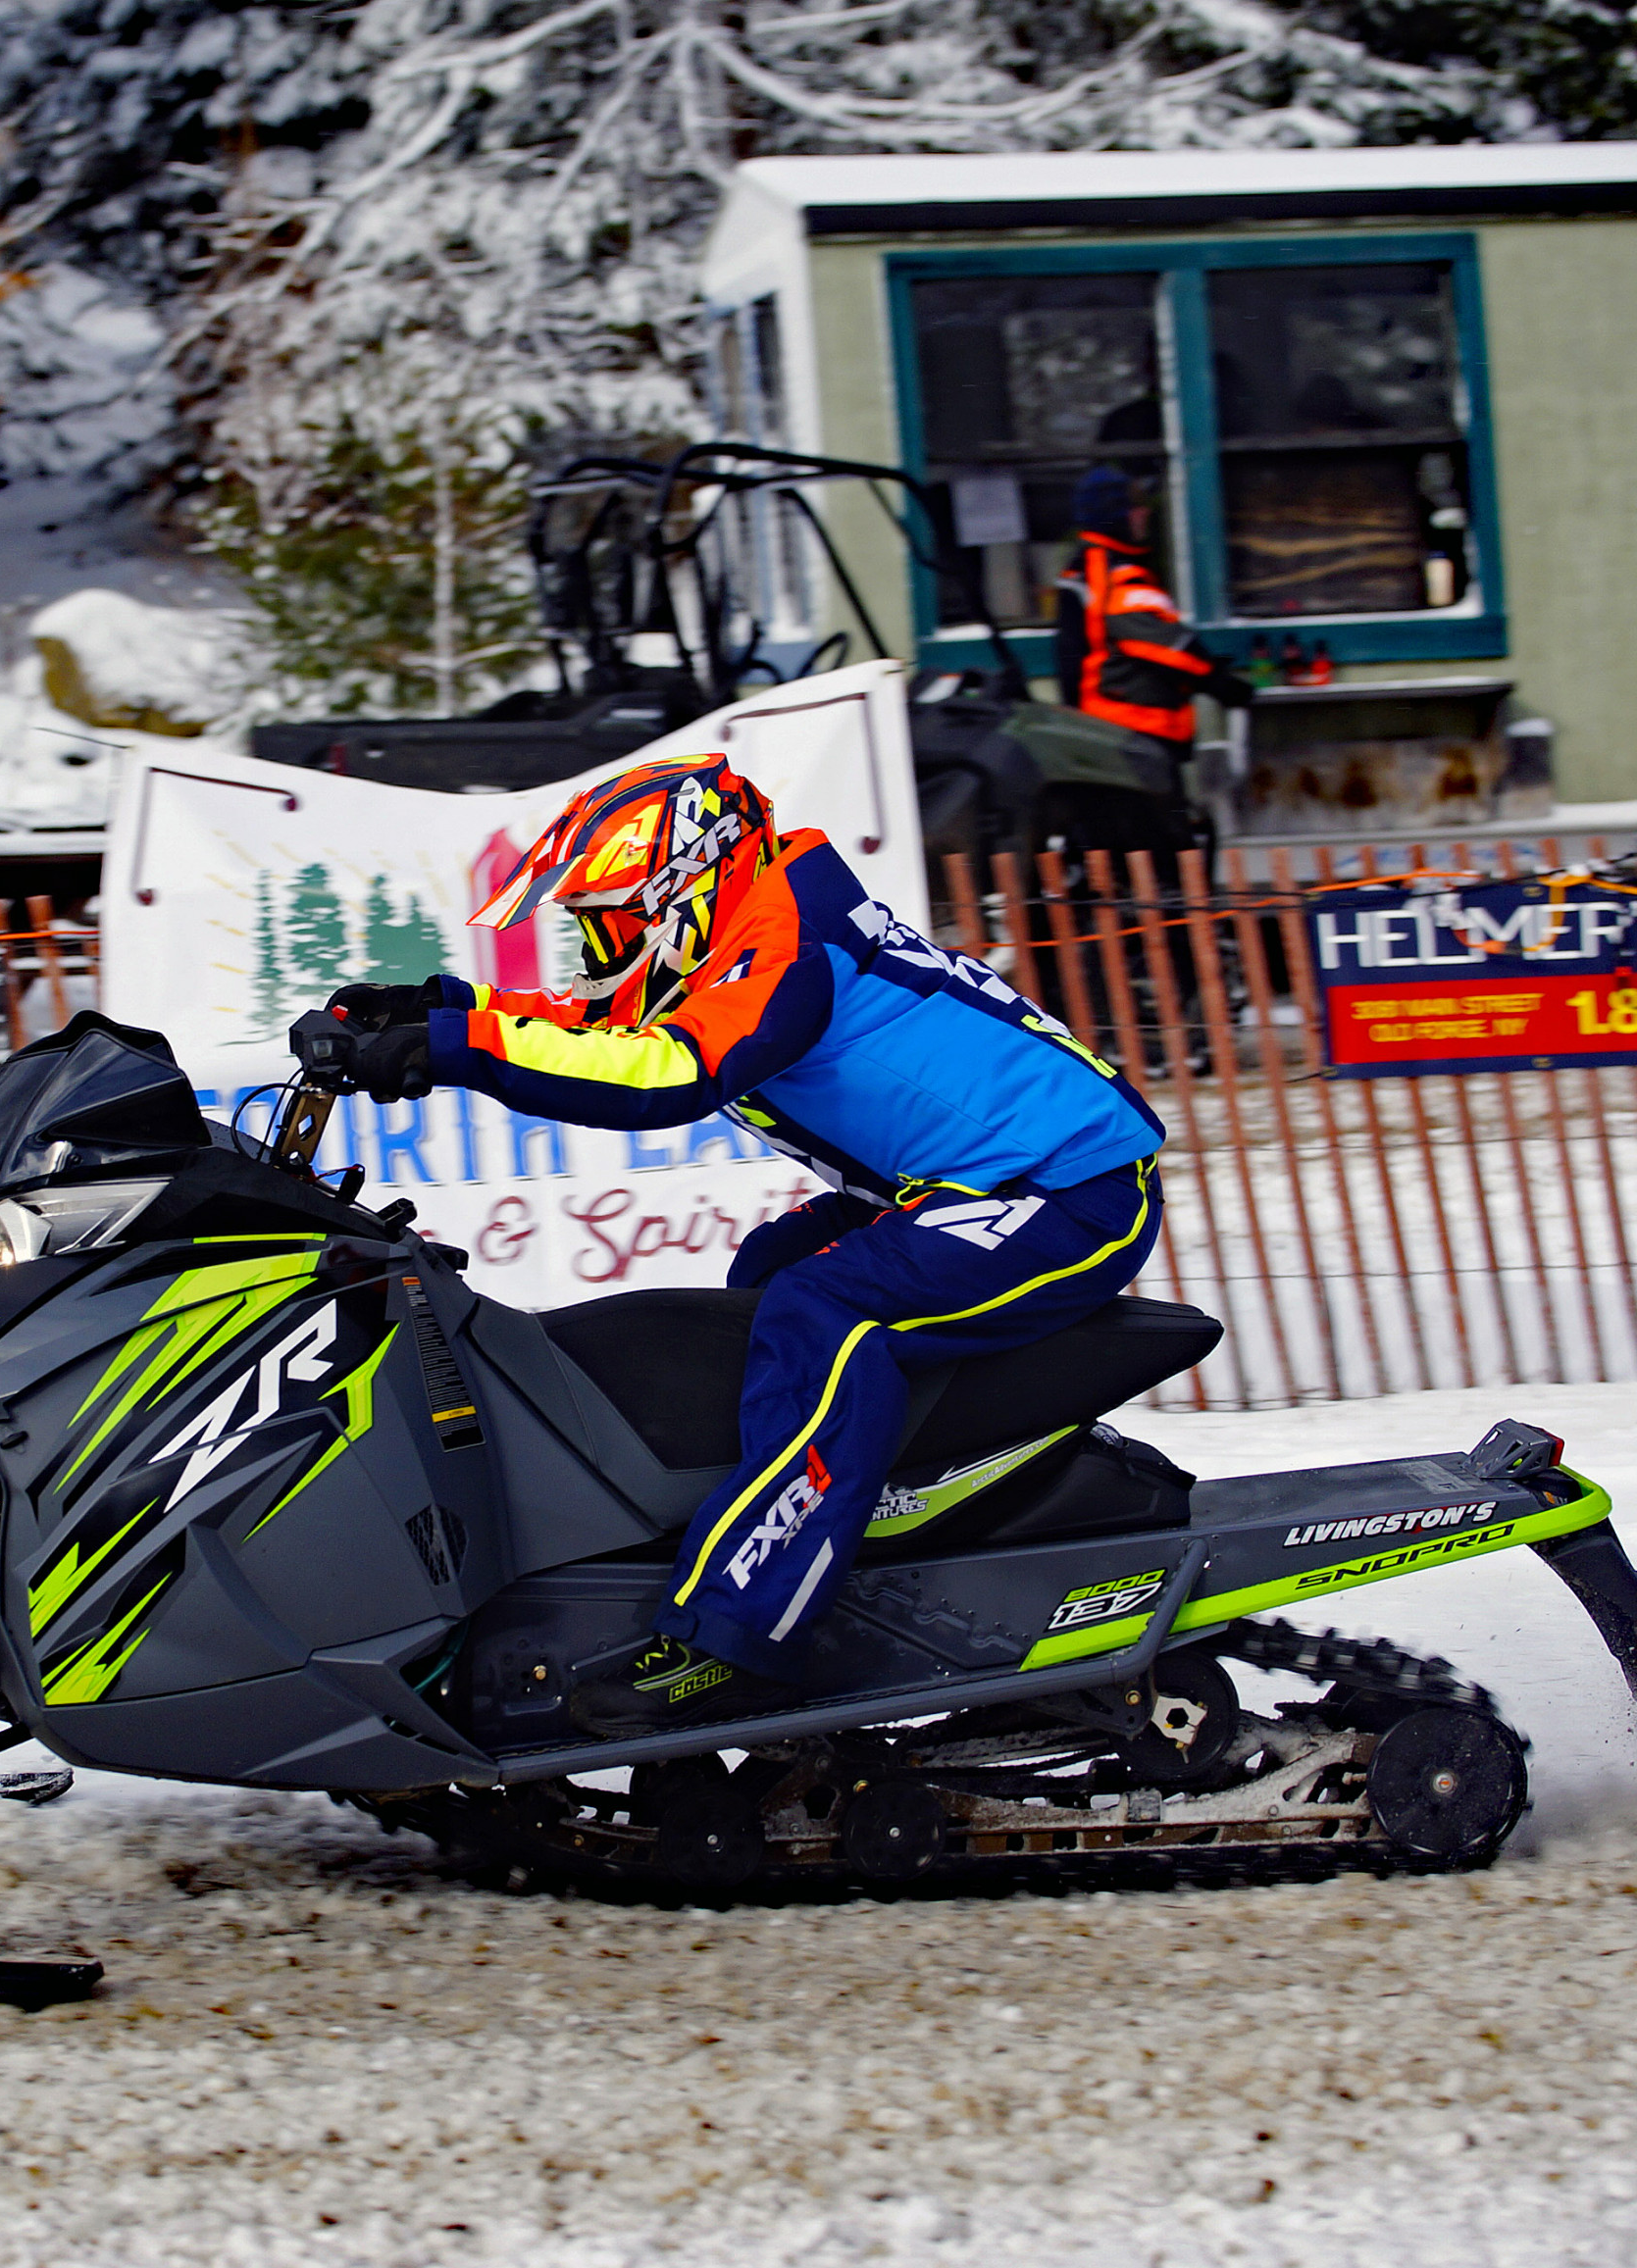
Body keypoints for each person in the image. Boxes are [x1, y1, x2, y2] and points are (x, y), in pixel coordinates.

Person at [321, 754, 1166, 1737]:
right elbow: (601, 1020)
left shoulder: (788, 948)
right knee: (765, 1275)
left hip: (1065, 1186)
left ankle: (746, 1630)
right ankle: (865, 1522)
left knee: (826, 1314)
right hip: (959, 1185)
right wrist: (442, 1012)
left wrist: (453, 1052)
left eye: (611, 919)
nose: (599, 944)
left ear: (686, 889)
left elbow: (661, 1070)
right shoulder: (747, 925)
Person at [1056, 465, 1251, 766]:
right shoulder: (1115, 574)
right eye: (1135, 506)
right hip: (1134, 733)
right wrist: (1215, 679)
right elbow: (1160, 645)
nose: (1144, 513)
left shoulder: (1084, 567)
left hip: (1107, 730)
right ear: (1115, 515)